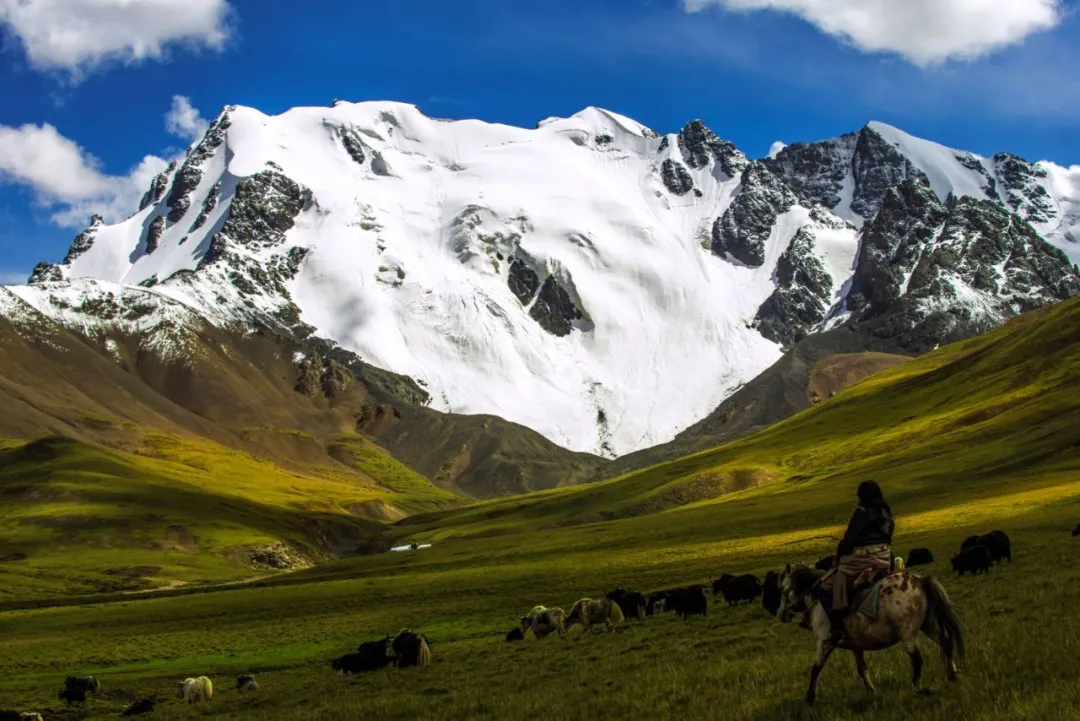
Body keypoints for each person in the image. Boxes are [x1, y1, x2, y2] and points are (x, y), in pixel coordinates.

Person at [817, 480, 894, 645]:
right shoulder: (885, 509)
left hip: (864, 559)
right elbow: (890, 531)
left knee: (826, 585)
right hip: (885, 558)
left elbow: (849, 539)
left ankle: (838, 627)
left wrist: (839, 554)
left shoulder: (861, 511)